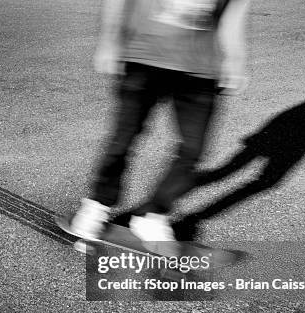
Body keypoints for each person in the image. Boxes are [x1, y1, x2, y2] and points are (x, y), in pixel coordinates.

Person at [70, 0, 251, 244]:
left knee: (193, 150)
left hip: (200, 70)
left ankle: (153, 214)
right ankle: (98, 205)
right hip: (144, 58)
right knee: (123, 138)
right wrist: (109, 40)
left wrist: (236, 60)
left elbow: (233, 13)